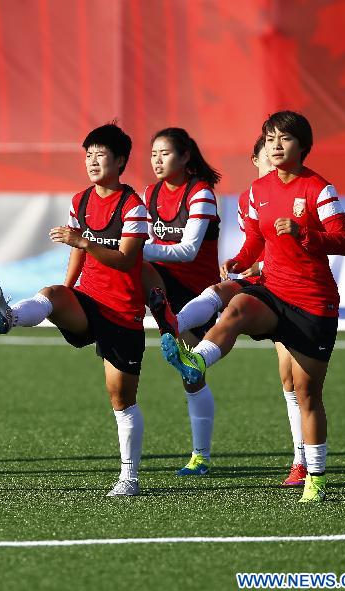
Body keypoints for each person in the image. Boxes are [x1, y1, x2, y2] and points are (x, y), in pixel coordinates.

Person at [161, 111, 345, 503]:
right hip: (273, 292)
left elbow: (343, 241)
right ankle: (195, 360)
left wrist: (305, 232)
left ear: (303, 145)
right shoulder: (256, 191)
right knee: (237, 308)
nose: (276, 146)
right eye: (270, 139)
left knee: (306, 393)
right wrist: (237, 259)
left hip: (313, 304)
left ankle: (314, 476)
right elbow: (255, 244)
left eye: (284, 139)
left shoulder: (320, 189)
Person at [0, 123, 149, 497]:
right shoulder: (81, 200)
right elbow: (77, 252)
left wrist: (84, 241)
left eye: (100, 154)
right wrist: (69, 289)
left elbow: (124, 261)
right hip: (87, 301)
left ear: (121, 161)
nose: (92, 161)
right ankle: (8, 316)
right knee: (52, 293)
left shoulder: (133, 207)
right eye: (87, 154)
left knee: (121, 398)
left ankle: (129, 477)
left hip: (122, 312)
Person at [155, 135, 308, 486]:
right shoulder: (250, 198)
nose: (275, 164)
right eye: (268, 159)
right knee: (221, 293)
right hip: (262, 286)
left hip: (293, 292)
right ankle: (174, 328)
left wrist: (256, 266)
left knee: (292, 380)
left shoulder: (302, 195)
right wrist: (242, 262)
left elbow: (305, 251)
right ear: (256, 161)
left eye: (279, 156)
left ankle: (301, 461)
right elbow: (255, 244)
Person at [139, 127, 222, 477]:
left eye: (166, 153)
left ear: (185, 156)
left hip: (197, 296)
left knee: (192, 376)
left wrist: (127, 248)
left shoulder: (201, 193)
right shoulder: (149, 192)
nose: (157, 160)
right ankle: (116, 316)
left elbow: (188, 251)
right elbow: (138, 237)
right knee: (129, 264)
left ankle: (200, 456)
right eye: (154, 154)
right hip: (164, 290)